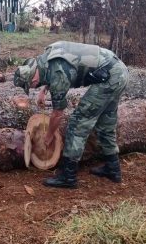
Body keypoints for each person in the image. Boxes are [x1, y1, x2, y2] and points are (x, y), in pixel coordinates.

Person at [14, 41, 129, 189]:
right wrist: (44, 90)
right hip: (117, 71)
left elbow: (57, 114)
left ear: (33, 79)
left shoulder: (57, 75)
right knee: (105, 122)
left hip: (111, 78)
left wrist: (48, 136)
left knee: (77, 122)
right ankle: (113, 169)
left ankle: (68, 176)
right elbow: (59, 69)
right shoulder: (45, 59)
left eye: (30, 85)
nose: (32, 87)